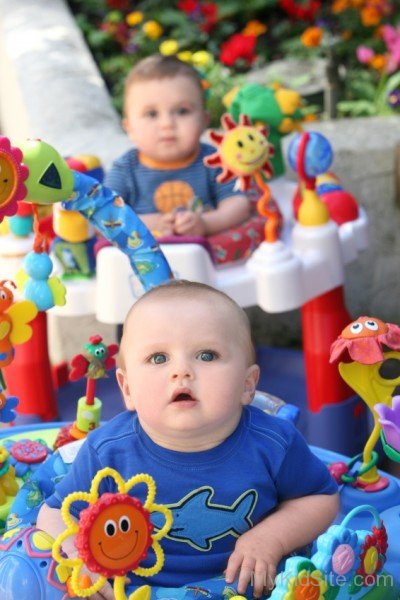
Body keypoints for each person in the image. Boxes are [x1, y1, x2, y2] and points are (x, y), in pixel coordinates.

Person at [38, 280, 338, 600]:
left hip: (240, 586)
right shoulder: (107, 452)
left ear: (247, 385)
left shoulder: (274, 444)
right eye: (158, 358)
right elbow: (54, 513)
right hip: (129, 588)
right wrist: (80, 559)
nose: (181, 370)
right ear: (127, 389)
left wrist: (271, 538)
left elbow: (320, 498)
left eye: (207, 355)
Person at [103, 55, 250, 237]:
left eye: (182, 111)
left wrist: (205, 224)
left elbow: (239, 203)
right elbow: (104, 215)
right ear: (129, 128)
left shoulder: (214, 161)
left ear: (204, 121)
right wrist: (153, 223)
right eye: (151, 114)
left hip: (204, 259)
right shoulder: (125, 169)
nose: (167, 124)